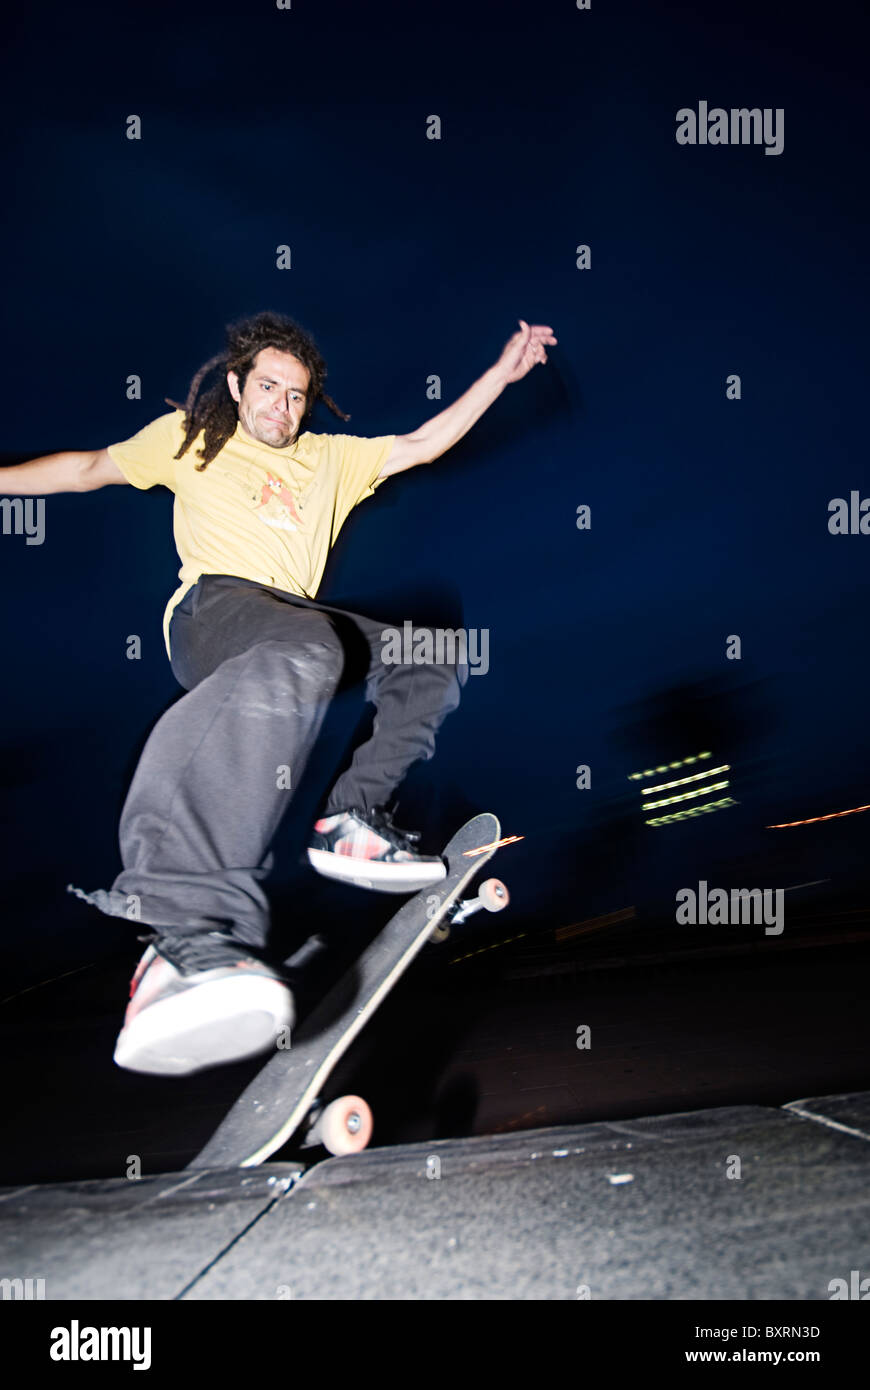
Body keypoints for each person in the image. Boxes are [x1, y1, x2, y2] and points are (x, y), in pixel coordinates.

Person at [4, 310, 555, 1076]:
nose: (281, 408)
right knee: (304, 643)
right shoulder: (189, 439)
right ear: (236, 385)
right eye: (268, 389)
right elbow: (87, 467)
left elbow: (425, 443)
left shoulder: (332, 459)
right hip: (213, 612)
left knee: (432, 653)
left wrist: (501, 372)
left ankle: (351, 817)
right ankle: (181, 924)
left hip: (293, 626)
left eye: (296, 396)